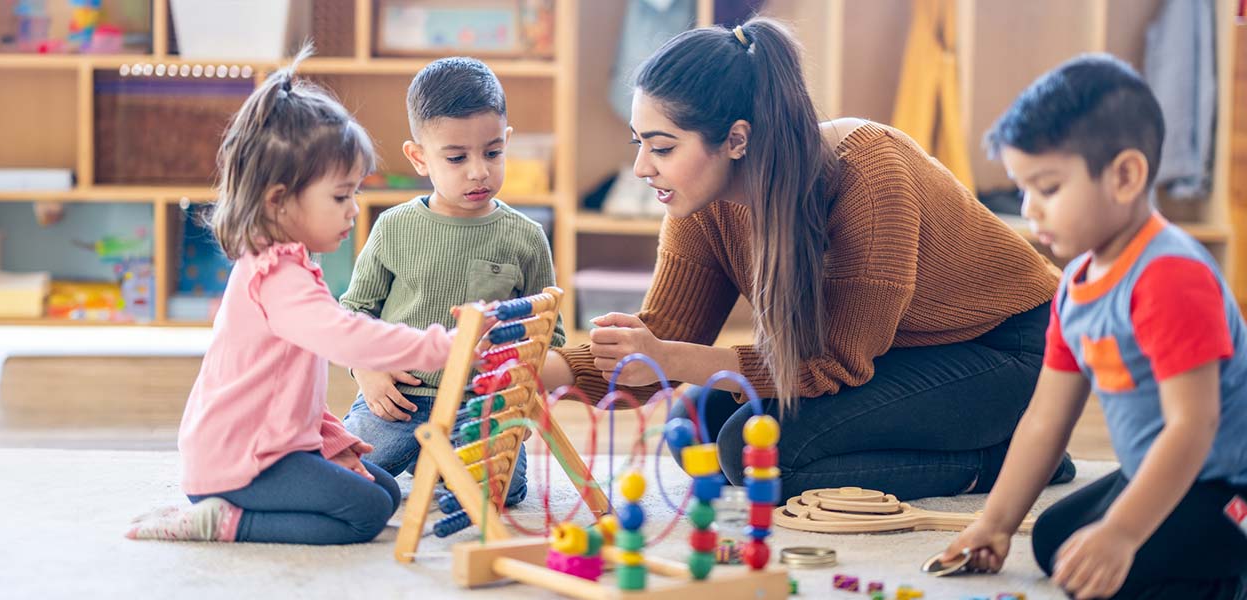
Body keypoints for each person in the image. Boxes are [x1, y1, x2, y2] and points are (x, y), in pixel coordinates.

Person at [540, 18, 1072, 501]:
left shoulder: (869, 177)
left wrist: (668, 357)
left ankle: (1006, 461)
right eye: (639, 143)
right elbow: (661, 337)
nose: (639, 168)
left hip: (1013, 350)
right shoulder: (702, 203)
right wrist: (545, 371)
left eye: (662, 148)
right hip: (900, 350)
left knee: (761, 459)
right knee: (695, 428)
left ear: (736, 139)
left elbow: (831, 363)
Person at [937, 54, 1247, 600]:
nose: (1030, 209)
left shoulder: (1170, 276)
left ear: (1125, 176)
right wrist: (996, 522)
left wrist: (1123, 533)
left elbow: (1191, 428)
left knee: (1118, 569)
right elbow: (1044, 419)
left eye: (1049, 188)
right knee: (1059, 543)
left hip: (1224, 485)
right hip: (1159, 471)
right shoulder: (1078, 281)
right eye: (1023, 187)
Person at [126, 49, 462, 545]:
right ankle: (223, 522)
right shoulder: (277, 277)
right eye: (340, 196)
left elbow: (286, 386)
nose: (353, 211)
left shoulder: (290, 261)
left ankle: (243, 505)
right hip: (240, 463)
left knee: (387, 492)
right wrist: (443, 347)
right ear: (279, 201)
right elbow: (347, 339)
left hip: (271, 446)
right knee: (366, 513)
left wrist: (332, 440)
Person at [340, 57, 562, 507]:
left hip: (480, 407)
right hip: (398, 399)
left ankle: (437, 462)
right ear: (419, 157)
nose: (478, 171)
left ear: (507, 143)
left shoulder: (527, 237)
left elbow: (550, 335)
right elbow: (353, 313)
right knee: (342, 475)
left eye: (493, 152)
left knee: (500, 492)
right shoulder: (393, 227)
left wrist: (511, 384)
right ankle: (426, 457)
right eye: (457, 157)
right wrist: (366, 369)